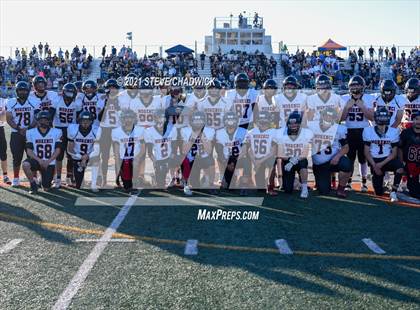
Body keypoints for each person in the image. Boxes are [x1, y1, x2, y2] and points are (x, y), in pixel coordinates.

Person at [340, 75, 374, 192]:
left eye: (357, 84)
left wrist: (363, 107)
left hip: (364, 131)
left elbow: (372, 118)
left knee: (362, 158)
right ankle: (349, 182)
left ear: (362, 86)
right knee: (350, 158)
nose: (355, 87)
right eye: (353, 85)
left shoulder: (368, 98)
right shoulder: (344, 98)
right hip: (349, 130)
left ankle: (364, 182)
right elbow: (341, 118)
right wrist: (347, 108)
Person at [363, 107, 404, 202]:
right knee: (378, 192)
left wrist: (380, 165)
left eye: (384, 117)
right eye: (380, 117)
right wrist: (374, 165)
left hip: (387, 159)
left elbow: (394, 154)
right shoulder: (368, 131)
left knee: (400, 167)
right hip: (374, 160)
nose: (382, 119)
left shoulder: (394, 132)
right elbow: (366, 151)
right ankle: (382, 186)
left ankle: (394, 191)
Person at [309, 107, 351, 197]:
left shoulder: (339, 129)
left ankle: (341, 189)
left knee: (347, 164)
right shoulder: (312, 127)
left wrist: (337, 156)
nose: (328, 119)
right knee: (323, 191)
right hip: (320, 165)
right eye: (326, 116)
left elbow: (346, 147)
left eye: (331, 117)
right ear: (322, 117)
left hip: (333, 160)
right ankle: (320, 181)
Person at [6, 81, 38, 186]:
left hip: (31, 133)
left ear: (28, 91)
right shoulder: (11, 102)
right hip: (16, 133)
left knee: (33, 156)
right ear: (17, 91)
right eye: (20, 90)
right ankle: (16, 178)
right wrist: (19, 128)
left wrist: (28, 128)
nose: (23, 92)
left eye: (25, 90)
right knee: (17, 157)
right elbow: (9, 119)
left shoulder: (35, 101)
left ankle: (34, 178)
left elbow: (37, 118)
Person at [50, 83, 82, 187]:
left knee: (71, 155)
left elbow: (79, 118)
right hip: (59, 130)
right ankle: (58, 178)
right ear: (63, 92)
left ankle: (69, 176)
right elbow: (50, 116)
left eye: (71, 92)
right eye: (68, 92)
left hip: (71, 130)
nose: (69, 95)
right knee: (58, 156)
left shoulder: (76, 103)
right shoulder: (57, 100)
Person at [274, 111, 313, 199]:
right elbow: (280, 153)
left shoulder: (305, 133)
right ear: (287, 124)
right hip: (287, 160)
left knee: (303, 163)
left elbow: (305, 153)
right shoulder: (281, 133)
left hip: (299, 159)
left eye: (295, 124)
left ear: (299, 124)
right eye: (291, 124)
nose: (293, 126)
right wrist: (290, 160)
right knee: (287, 190)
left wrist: (294, 161)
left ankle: (304, 188)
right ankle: (294, 182)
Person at [22, 111, 62, 194]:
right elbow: (29, 151)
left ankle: (41, 178)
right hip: (37, 160)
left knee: (46, 188)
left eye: (46, 120)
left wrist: (48, 161)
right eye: (41, 120)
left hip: (49, 162)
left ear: (49, 121)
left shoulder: (56, 132)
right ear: (37, 121)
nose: (43, 122)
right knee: (25, 164)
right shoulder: (30, 132)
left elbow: (58, 150)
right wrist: (39, 160)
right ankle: (33, 184)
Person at [215, 111, 250, 196]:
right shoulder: (220, 132)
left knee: (247, 161)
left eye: (232, 120)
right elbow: (219, 151)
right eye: (229, 120)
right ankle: (224, 178)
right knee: (230, 186)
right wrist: (227, 163)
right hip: (226, 160)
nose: (230, 122)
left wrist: (235, 162)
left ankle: (244, 185)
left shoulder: (243, 131)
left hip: (239, 158)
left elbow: (245, 149)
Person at [180, 111, 215, 195]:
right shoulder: (185, 130)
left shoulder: (209, 130)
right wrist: (193, 138)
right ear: (191, 121)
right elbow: (184, 150)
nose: (198, 123)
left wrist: (202, 137)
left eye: (200, 121)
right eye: (196, 121)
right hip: (192, 159)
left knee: (210, 160)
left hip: (204, 158)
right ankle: (189, 181)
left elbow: (209, 151)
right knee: (195, 186)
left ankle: (210, 183)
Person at [111, 109, 145, 195]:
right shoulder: (116, 131)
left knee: (135, 164)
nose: (128, 120)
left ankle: (136, 179)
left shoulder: (140, 130)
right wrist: (118, 164)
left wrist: (137, 158)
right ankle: (127, 181)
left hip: (135, 158)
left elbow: (143, 148)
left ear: (134, 119)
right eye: (126, 118)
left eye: (130, 118)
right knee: (127, 186)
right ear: (122, 119)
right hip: (124, 159)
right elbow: (116, 150)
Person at [144, 109, 178, 189]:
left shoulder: (172, 129)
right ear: (155, 119)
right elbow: (150, 152)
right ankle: (155, 176)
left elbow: (174, 148)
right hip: (158, 159)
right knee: (160, 185)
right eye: (159, 118)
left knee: (183, 159)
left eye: (163, 118)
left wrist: (169, 161)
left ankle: (177, 177)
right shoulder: (149, 131)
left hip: (169, 157)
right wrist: (156, 162)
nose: (162, 120)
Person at [67, 111, 100, 191]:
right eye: (83, 121)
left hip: (90, 155)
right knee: (79, 185)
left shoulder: (96, 130)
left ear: (91, 121)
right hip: (77, 156)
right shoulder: (73, 129)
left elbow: (98, 149)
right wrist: (81, 157)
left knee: (96, 160)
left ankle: (94, 183)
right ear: (79, 121)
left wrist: (86, 157)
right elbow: (69, 149)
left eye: (88, 121)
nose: (85, 123)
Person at [246, 111, 277, 195]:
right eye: (261, 122)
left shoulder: (273, 132)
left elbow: (273, 152)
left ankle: (270, 187)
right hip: (256, 158)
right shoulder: (251, 132)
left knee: (272, 163)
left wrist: (259, 161)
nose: (263, 124)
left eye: (265, 122)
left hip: (267, 158)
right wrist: (255, 161)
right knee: (260, 189)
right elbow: (249, 150)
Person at [98, 79, 121, 187]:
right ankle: (104, 179)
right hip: (105, 129)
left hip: (117, 129)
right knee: (105, 156)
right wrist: (106, 105)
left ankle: (118, 179)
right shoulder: (102, 99)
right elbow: (99, 118)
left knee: (118, 156)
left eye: (113, 88)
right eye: (110, 88)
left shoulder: (120, 100)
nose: (112, 90)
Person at [399, 111, 420, 199]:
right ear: (413, 120)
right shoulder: (406, 133)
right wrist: (401, 163)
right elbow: (399, 148)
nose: (419, 122)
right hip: (410, 165)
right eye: (417, 119)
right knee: (415, 193)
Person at [0, 97, 11, 184]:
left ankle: (5, 175)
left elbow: (3, 118)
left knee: (3, 153)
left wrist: (2, 115)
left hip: (0, 129)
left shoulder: (4, 101)